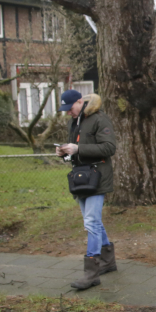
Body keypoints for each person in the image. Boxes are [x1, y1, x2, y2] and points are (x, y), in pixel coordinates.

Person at [56, 90, 117, 290]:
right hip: (81, 179)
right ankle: (108, 261)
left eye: (70, 108)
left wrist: (78, 148)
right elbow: (73, 153)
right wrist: (63, 154)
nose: (67, 113)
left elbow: (109, 147)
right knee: (93, 221)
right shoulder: (73, 122)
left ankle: (91, 272)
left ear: (80, 102)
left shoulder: (100, 119)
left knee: (91, 221)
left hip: (97, 178)